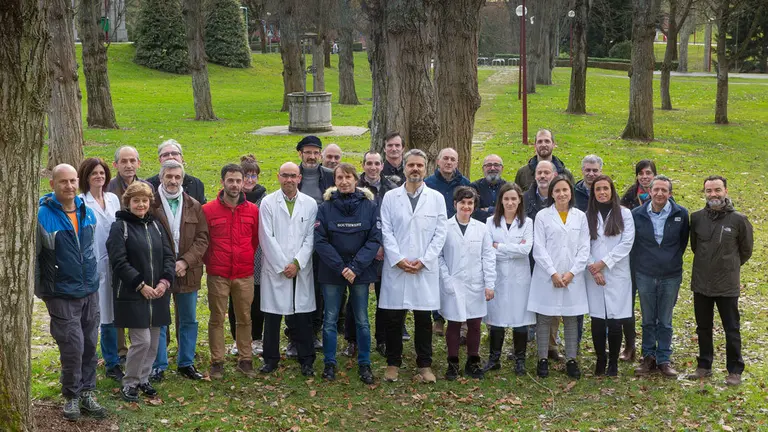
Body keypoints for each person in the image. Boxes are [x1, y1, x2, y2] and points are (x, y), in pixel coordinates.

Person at [36, 164, 107, 421]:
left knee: (89, 344)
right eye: (63, 181)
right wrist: (44, 292)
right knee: (72, 346)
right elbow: (35, 259)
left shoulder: (86, 210)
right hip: (61, 293)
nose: (69, 186)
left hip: (89, 290)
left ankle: (88, 392)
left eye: (72, 180)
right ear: (52, 184)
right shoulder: (43, 215)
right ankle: (72, 396)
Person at [379, 149, 448, 383]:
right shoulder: (390, 198)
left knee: (423, 319)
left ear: (426, 168)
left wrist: (425, 260)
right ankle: (393, 363)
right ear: (405, 168)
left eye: (420, 165)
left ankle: (425, 365)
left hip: (423, 268)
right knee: (394, 319)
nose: (415, 169)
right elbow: (385, 230)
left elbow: (440, 233)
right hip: (397, 267)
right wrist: (397, 259)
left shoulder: (436, 198)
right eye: (411, 165)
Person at [106, 182, 175, 403]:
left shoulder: (155, 225)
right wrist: (140, 285)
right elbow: (118, 261)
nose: (141, 204)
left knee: (155, 341)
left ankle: (144, 379)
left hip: (157, 293)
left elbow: (168, 255)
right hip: (134, 293)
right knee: (142, 341)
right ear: (128, 202)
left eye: (145, 200)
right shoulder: (120, 227)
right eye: (136, 200)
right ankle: (130, 381)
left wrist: (165, 281)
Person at [314, 163, 381, 384]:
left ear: (356, 179)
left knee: (362, 320)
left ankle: (364, 363)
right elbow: (320, 241)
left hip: (360, 272)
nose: (344, 181)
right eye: (339, 177)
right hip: (333, 272)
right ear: (335, 181)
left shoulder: (369, 206)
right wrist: (342, 267)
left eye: (348, 177)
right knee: (330, 319)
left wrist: (355, 268)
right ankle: (330, 363)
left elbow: (374, 240)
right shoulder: (325, 207)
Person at [687, 176, 753, 386]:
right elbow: (695, 247)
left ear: (725, 190)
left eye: (717, 190)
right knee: (703, 327)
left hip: (727, 285)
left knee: (731, 328)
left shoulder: (739, 220)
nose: (713, 194)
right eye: (709, 191)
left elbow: (746, 250)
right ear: (704, 193)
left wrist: (728, 266)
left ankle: (734, 370)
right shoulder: (696, 218)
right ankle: (704, 365)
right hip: (701, 283)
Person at [149, 160, 209, 381]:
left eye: (177, 177)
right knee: (160, 319)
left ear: (182, 179)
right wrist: (167, 266)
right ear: (161, 178)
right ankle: (159, 364)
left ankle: (186, 362)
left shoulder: (194, 205)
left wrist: (184, 262)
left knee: (189, 319)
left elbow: (202, 239)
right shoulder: (150, 204)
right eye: (169, 177)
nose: (173, 181)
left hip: (187, 271)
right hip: (159, 273)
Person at [526, 175, 590, 379]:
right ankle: (542, 358)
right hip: (547, 275)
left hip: (573, 276)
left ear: (571, 192)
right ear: (551, 194)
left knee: (571, 318)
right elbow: (539, 248)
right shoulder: (543, 216)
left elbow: (584, 248)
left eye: (565, 190)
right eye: (557, 191)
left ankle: (571, 359)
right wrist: (553, 272)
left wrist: (572, 273)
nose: (561, 194)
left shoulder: (580, 217)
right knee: (544, 317)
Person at [259, 162, 318, 376]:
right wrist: (283, 264)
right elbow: (266, 236)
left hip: (300, 268)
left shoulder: (310, 204)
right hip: (276, 268)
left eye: (293, 175)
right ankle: (270, 359)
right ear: (278, 177)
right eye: (285, 175)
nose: (289, 180)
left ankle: (306, 359)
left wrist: (297, 263)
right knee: (273, 317)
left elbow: (311, 238)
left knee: (302, 316)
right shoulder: (267, 203)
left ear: (299, 178)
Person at [203, 164, 260, 379]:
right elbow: (204, 241)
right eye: (231, 180)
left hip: (244, 273)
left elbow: (254, 240)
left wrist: (244, 257)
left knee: (245, 317)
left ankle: (245, 359)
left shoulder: (253, 210)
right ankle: (217, 361)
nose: (235, 185)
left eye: (238, 180)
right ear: (222, 182)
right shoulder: (208, 210)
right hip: (218, 273)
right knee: (217, 317)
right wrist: (214, 262)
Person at [631, 175, 689, 378]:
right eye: (656, 189)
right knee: (648, 319)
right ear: (650, 191)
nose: (659, 193)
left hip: (670, 275)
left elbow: (682, 243)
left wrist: (669, 260)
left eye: (664, 190)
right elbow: (634, 244)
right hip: (645, 273)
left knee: (664, 320)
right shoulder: (637, 214)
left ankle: (663, 358)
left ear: (670, 194)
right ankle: (648, 357)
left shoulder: (681, 213)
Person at [439, 187, 496, 380]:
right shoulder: (444, 227)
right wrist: (446, 278)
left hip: (475, 283)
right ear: (455, 204)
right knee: (454, 323)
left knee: (474, 323)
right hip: (452, 281)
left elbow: (488, 257)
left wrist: (490, 284)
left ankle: (473, 360)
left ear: (474, 206)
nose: (466, 206)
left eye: (470, 203)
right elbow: (438, 257)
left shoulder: (481, 229)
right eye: (462, 202)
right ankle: (452, 362)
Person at [77, 158, 123, 383]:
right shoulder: (80, 203)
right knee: (100, 316)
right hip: (92, 264)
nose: (99, 176)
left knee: (112, 313)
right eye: (94, 173)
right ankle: (108, 361)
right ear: (86, 177)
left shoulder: (113, 199)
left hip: (114, 263)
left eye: (102, 173)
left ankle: (113, 358)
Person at [584, 176, 635, 377]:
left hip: (616, 273)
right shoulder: (587, 215)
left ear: (612, 191)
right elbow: (582, 245)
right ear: (593, 192)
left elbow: (627, 243)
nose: (602, 192)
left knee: (615, 320)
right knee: (597, 320)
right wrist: (593, 268)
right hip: (593, 274)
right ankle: (600, 360)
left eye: (606, 188)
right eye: (598, 189)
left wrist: (603, 264)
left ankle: (613, 362)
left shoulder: (625, 214)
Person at [483, 183, 534, 375]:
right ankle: (494, 358)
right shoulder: (490, 222)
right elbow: (488, 250)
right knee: (496, 318)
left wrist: (500, 246)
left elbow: (525, 250)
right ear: (501, 201)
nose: (510, 202)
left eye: (514, 198)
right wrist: (512, 247)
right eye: (506, 199)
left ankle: (519, 360)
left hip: (520, 277)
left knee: (520, 319)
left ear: (520, 200)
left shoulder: (527, 223)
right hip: (498, 276)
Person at [107, 145, 152, 361]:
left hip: (141, 252)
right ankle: (120, 350)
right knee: (119, 303)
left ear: (139, 163)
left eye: (132, 160)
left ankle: (141, 349)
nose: (128, 165)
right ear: (115, 165)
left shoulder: (146, 186)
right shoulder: (108, 188)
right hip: (119, 250)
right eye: (123, 161)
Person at [352, 151, 399, 357]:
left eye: (377, 163)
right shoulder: (355, 188)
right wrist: (371, 246)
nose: (373, 167)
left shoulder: (392, 189)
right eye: (369, 163)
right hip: (361, 249)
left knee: (384, 297)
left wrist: (382, 245)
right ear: (363, 165)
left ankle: (382, 339)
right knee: (355, 297)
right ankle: (353, 340)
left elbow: (393, 221)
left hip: (385, 250)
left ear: (382, 166)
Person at [292, 135, 334, 354]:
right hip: (296, 239)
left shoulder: (328, 176)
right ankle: (294, 334)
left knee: (317, 285)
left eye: (315, 152)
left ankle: (314, 331)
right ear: (300, 154)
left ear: (320, 155)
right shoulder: (293, 175)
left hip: (321, 239)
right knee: (295, 284)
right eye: (307, 152)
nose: (311, 156)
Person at [424, 147, 470, 336]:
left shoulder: (465, 183)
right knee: (437, 277)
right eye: (445, 159)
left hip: (457, 233)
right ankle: (438, 318)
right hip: (434, 234)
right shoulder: (428, 183)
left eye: (453, 159)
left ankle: (461, 318)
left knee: (458, 274)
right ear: (438, 162)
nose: (449, 162)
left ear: (457, 163)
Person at [521, 160, 564, 362]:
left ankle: (551, 345)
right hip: (527, 259)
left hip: (553, 261)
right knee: (526, 302)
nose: (543, 176)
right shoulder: (525, 199)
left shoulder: (562, 201)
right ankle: (523, 341)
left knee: (552, 304)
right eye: (539, 172)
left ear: (554, 175)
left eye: (547, 172)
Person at [227, 155, 268, 358]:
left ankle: (257, 338)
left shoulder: (265, 199)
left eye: (253, 176)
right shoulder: (233, 198)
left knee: (257, 300)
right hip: (238, 257)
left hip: (260, 257)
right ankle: (238, 339)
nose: (250, 180)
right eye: (246, 176)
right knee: (237, 302)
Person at [618, 159, 657, 362]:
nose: (645, 177)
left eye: (648, 173)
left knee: (651, 307)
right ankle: (630, 345)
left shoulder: (662, 195)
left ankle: (652, 349)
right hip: (631, 259)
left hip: (652, 260)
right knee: (627, 304)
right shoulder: (629, 197)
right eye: (641, 173)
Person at [146, 139, 207, 204]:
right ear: (160, 160)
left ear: (182, 158)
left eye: (174, 153)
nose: (170, 157)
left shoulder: (196, 184)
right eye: (165, 155)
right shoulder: (149, 185)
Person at [470, 154, 507, 222]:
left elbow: (511, 210)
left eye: (496, 165)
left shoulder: (508, 188)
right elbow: (473, 212)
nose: (492, 168)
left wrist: (489, 210)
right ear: (483, 169)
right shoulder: (474, 187)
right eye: (489, 165)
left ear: (502, 168)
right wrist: (500, 212)